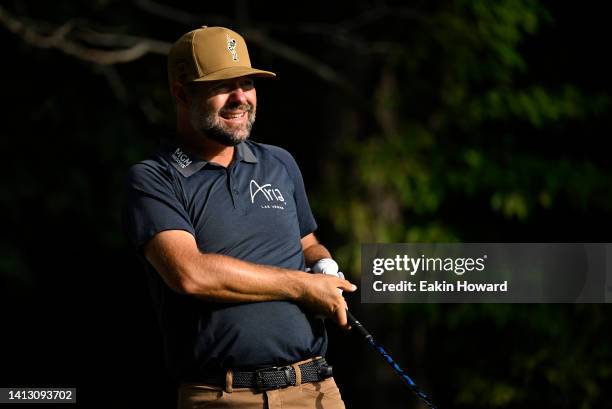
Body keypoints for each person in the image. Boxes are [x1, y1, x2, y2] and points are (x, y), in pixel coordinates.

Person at [123, 26, 357, 409]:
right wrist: (302, 287)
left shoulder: (279, 162)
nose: (240, 98)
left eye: (246, 83)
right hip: (223, 397)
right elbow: (190, 274)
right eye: (223, 86)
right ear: (182, 94)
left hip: (316, 389)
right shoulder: (153, 178)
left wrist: (325, 267)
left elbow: (307, 243)